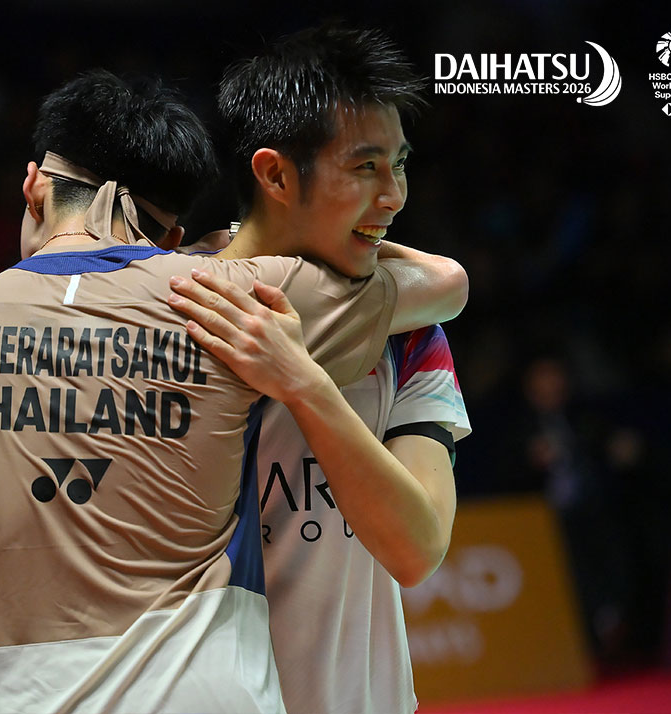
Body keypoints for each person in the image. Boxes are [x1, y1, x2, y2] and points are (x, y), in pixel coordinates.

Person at [0, 69, 465, 712]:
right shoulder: (222, 297)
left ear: (33, 187)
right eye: (368, 167)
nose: (391, 193)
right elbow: (446, 282)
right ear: (170, 236)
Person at [166, 25, 470, 713]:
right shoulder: (171, 305)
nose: (393, 196)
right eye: (365, 167)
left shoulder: (407, 332)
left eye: (399, 165)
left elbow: (416, 549)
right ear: (276, 174)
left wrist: (301, 382)